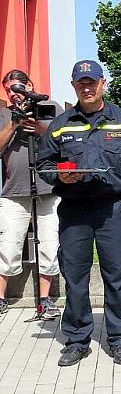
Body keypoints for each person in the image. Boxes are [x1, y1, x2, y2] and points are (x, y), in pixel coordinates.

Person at [37, 60, 121, 366]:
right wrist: (59, 176)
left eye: (92, 82)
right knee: (75, 276)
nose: (87, 88)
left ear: (103, 83)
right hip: (74, 210)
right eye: (81, 83)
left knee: (116, 275)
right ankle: (76, 338)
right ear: (73, 86)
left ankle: (119, 338)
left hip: (112, 208)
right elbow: (44, 165)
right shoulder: (61, 125)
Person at [0, 70, 62, 318]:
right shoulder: (4, 114)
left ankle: (45, 300)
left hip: (48, 190)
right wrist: (14, 123)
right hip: (14, 191)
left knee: (48, 244)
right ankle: (1, 298)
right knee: (8, 245)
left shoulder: (51, 107)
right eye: (8, 91)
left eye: (17, 88)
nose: (13, 94)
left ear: (29, 85)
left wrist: (38, 129)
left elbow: (64, 140)